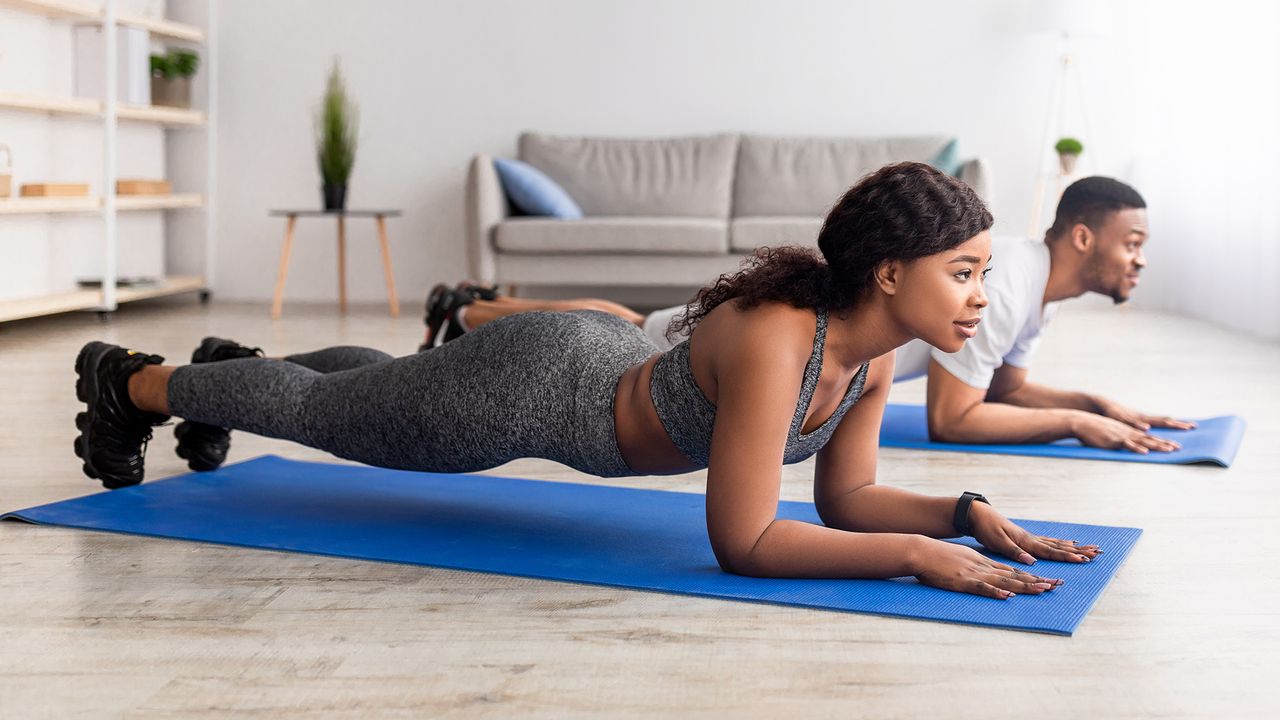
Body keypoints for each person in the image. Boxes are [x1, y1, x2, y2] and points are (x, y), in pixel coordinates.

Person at [73, 162, 1098, 600]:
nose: (976, 295)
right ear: (888, 273)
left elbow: (847, 498)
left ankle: (229, 375)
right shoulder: (781, 338)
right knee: (334, 417)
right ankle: (135, 383)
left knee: (380, 387)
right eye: (960, 273)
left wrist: (958, 511)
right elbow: (740, 541)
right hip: (542, 389)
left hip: (596, 360)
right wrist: (912, 559)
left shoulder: (869, 357)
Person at [427, 177, 1193, 455]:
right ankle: (474, 312)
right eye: (1133, 243)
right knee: (622, 331)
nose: (1140, 259)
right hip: (666, 364)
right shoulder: (1013, 285)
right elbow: (956, 418)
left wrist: (1095, 405)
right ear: (1083, 236)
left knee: (622, 322)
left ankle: (472, 313)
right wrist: (1075, 426)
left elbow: (1010, 388)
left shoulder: (1020, 287)